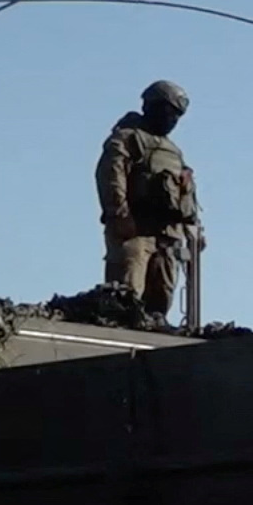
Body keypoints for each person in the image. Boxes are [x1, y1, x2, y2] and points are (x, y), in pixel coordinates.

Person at [95, 80, 202, 323]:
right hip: (135, 231)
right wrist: (119, 214)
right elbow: (112, 174)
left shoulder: (172, 151)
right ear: (152, 106)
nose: (173, 120)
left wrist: (194, 230)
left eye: (177, 116)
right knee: (126, 297)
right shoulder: (129, 137)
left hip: (167, 236)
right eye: (169, 112)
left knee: (160, 301)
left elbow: (185, 192)